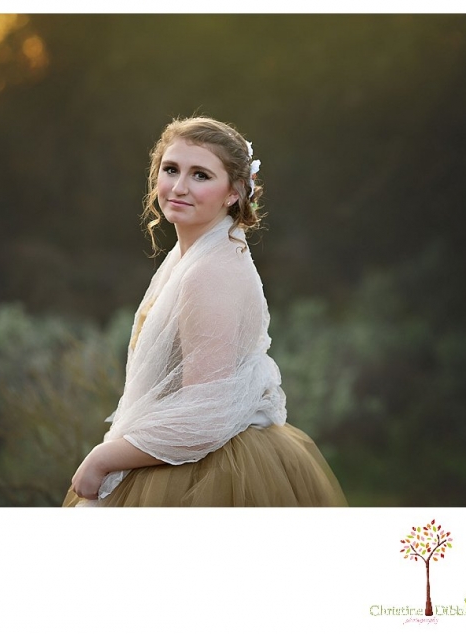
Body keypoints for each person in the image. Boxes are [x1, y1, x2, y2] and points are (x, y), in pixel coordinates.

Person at [62, 116, 345, 507]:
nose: (179, 187)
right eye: (171, 170)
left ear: (233, 193)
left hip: (210, 471)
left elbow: (205, 414)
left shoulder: (210, 272)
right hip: (181, 450)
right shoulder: (194, 254)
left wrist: (103, 458)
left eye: (200, 175)